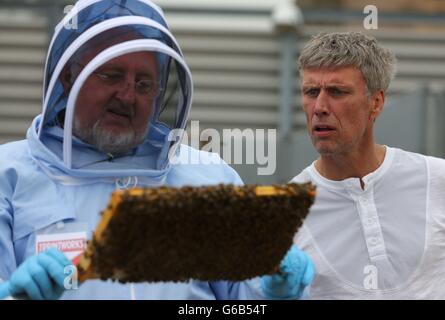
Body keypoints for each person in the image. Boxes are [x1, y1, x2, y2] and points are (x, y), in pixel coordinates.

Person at [0, 0, 315, 300]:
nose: (127, 95)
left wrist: (272, 288)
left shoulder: (208, 176)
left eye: (143, 84)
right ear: (68, 77)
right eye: (111, 75)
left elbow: (242, 300)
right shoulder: (9, 175)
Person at [292, 31, 445, 299]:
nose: (320, 107)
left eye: (337, 92)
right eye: (311, 92)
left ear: (375, 103)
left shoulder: (437, 179)